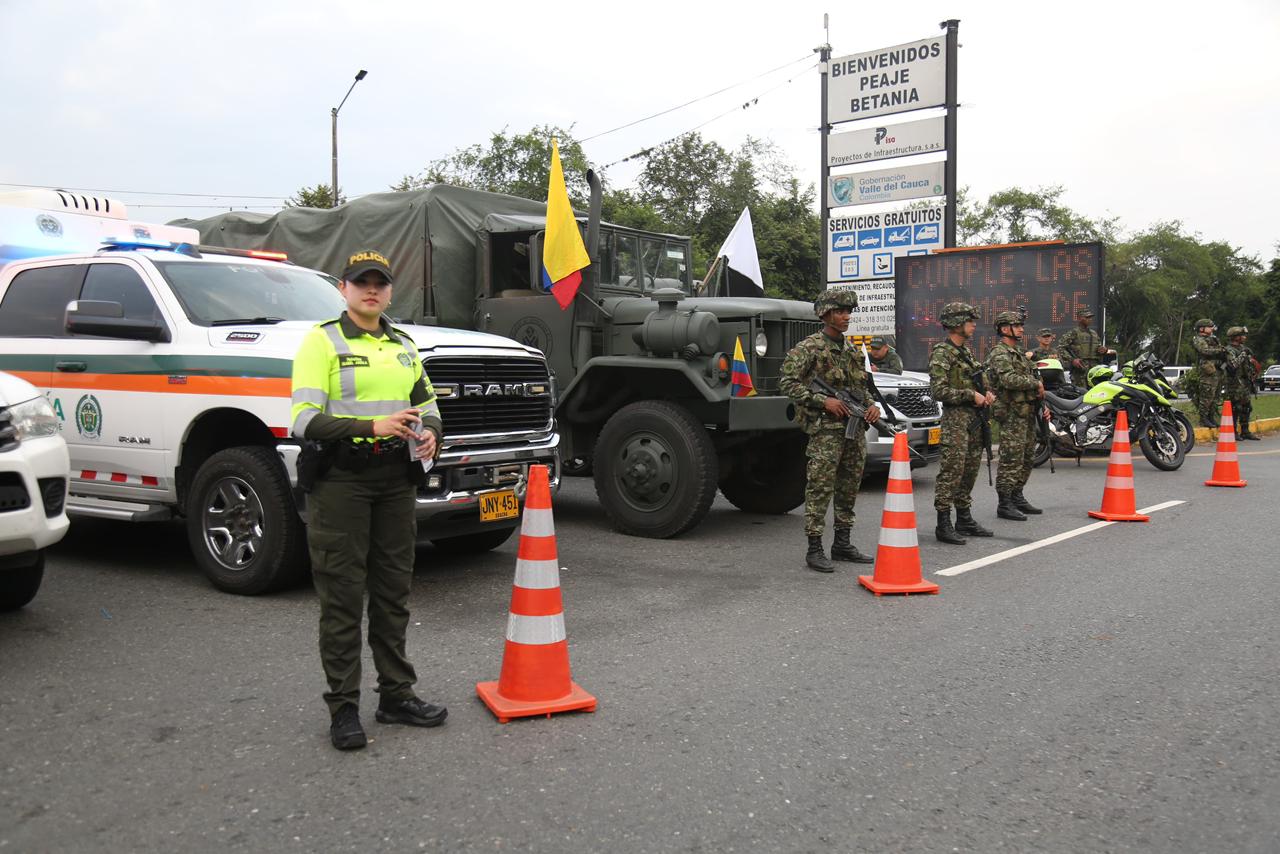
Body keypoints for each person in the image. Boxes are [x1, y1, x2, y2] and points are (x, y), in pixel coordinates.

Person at [290, 249, 448, 751]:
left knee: (392, 593)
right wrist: (371, 426)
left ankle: (396, 696)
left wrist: (432, 433)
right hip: (342, 482)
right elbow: (304, 420)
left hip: (395, 480)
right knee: (342, 597)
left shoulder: (403, 345)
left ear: (390, 291)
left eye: (380, 283)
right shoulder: (321, 341)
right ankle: (343, 708)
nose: (371, 290)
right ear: (344, 288)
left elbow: (427, 403)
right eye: (362, 283)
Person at [780, 290, 881, 572]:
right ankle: (814, 548)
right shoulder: (809, 348)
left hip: (853, 430)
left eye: (849, 311)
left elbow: (860, 388)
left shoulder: (851, 350)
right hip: (825, 430)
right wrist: (823, 401)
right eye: (840, 311)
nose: (846, 316)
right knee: (820, 487)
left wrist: (871, 406)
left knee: (849, 486)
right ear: (825, 314)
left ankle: (842, 543)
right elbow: (787, 382)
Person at [928, 302, 995, 545]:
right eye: (969, 321)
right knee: (952, 471)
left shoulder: (966, 352)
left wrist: (987, 394)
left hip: (974, 421)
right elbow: (938, 391)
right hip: (956, 422)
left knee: (969, 470)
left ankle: (964, 518)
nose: (973, 325)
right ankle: (943, 523)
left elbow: (978, 381)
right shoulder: (942, 353)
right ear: (956, 323)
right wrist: (970, 395)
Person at [985, 311, 1045, 521]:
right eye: (1016, 325)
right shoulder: (999, 353)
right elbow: (1008, 380)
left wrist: (1042, 399)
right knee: (1011, 458)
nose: (1021, 329)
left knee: (1027, 457)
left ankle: (1017, 496)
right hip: (1011, 413)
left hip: (1026, 412)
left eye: (1021, 325)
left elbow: (1033, 374)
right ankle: (1005, 503)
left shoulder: (1018, 353)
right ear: (1004, 329)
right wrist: (1035, 384)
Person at [1057, 308, 1113, 388]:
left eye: (1090, 317)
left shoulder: (1094, 333)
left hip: (1094, 369)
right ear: (1079, 318)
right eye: (1087, 317)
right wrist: (1072, 360)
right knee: (1081, 392)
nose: (1090, 319)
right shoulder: (1074, 333)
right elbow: (1061, 347)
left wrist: (1103, 350)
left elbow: (1099, 348)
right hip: (1080, 369)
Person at [1224, 326, 1260, 440]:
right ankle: (1233, 432)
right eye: (1242, 335)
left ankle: (1245, 431)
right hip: (1234, 383)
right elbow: (1233, 365)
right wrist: (1243, 354)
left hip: (1245, 383)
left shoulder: (1244, 348)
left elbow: (1249, 364)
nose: (1244, 337)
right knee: (1236, 408)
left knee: (1247, 407)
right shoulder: (1229, 350)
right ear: (1235, 337)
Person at [1190, 318, 1226, 428]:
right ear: (1202, 328)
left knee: (1215, 396)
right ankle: (1203, 419)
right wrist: (1220, 350)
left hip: (1217, 370)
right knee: (1207, 396)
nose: (1212, 329)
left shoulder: (1213, 339)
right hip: (1207, 372)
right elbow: (1204, 351)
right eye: (1209, 327)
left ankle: (1211, 417)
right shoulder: (1198, 339)